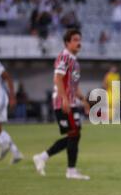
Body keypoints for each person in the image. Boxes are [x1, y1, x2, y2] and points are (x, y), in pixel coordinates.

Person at [33, 29, 90, 180]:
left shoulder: (75, 62)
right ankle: (69, 170)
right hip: (63, 103)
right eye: (75, 39)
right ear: (67, 43)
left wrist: (84, 101)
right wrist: (64, 99)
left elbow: (74, 85)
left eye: (79, 39)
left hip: (71, 102)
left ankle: (43, 157)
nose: (79, 42)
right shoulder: (64, 58)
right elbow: (58, 79)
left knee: (74, 135)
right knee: (74, 134)